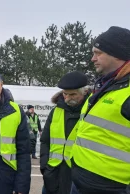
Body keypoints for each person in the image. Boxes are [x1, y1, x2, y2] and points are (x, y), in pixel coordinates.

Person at [71, 26, 130, 194]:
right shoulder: (106, 86)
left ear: (117, 54)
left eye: (98, 53)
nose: (92, 58)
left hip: (111, 188)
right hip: (81, 183)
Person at [40, 71, 89, 194]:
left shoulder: (91, 111)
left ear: (85, 92)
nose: (67, 98)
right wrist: (45, 168)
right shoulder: (56, 111)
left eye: (73, 94)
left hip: (79, 177)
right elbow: (45, 141)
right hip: (53, 174)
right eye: (65, 94)